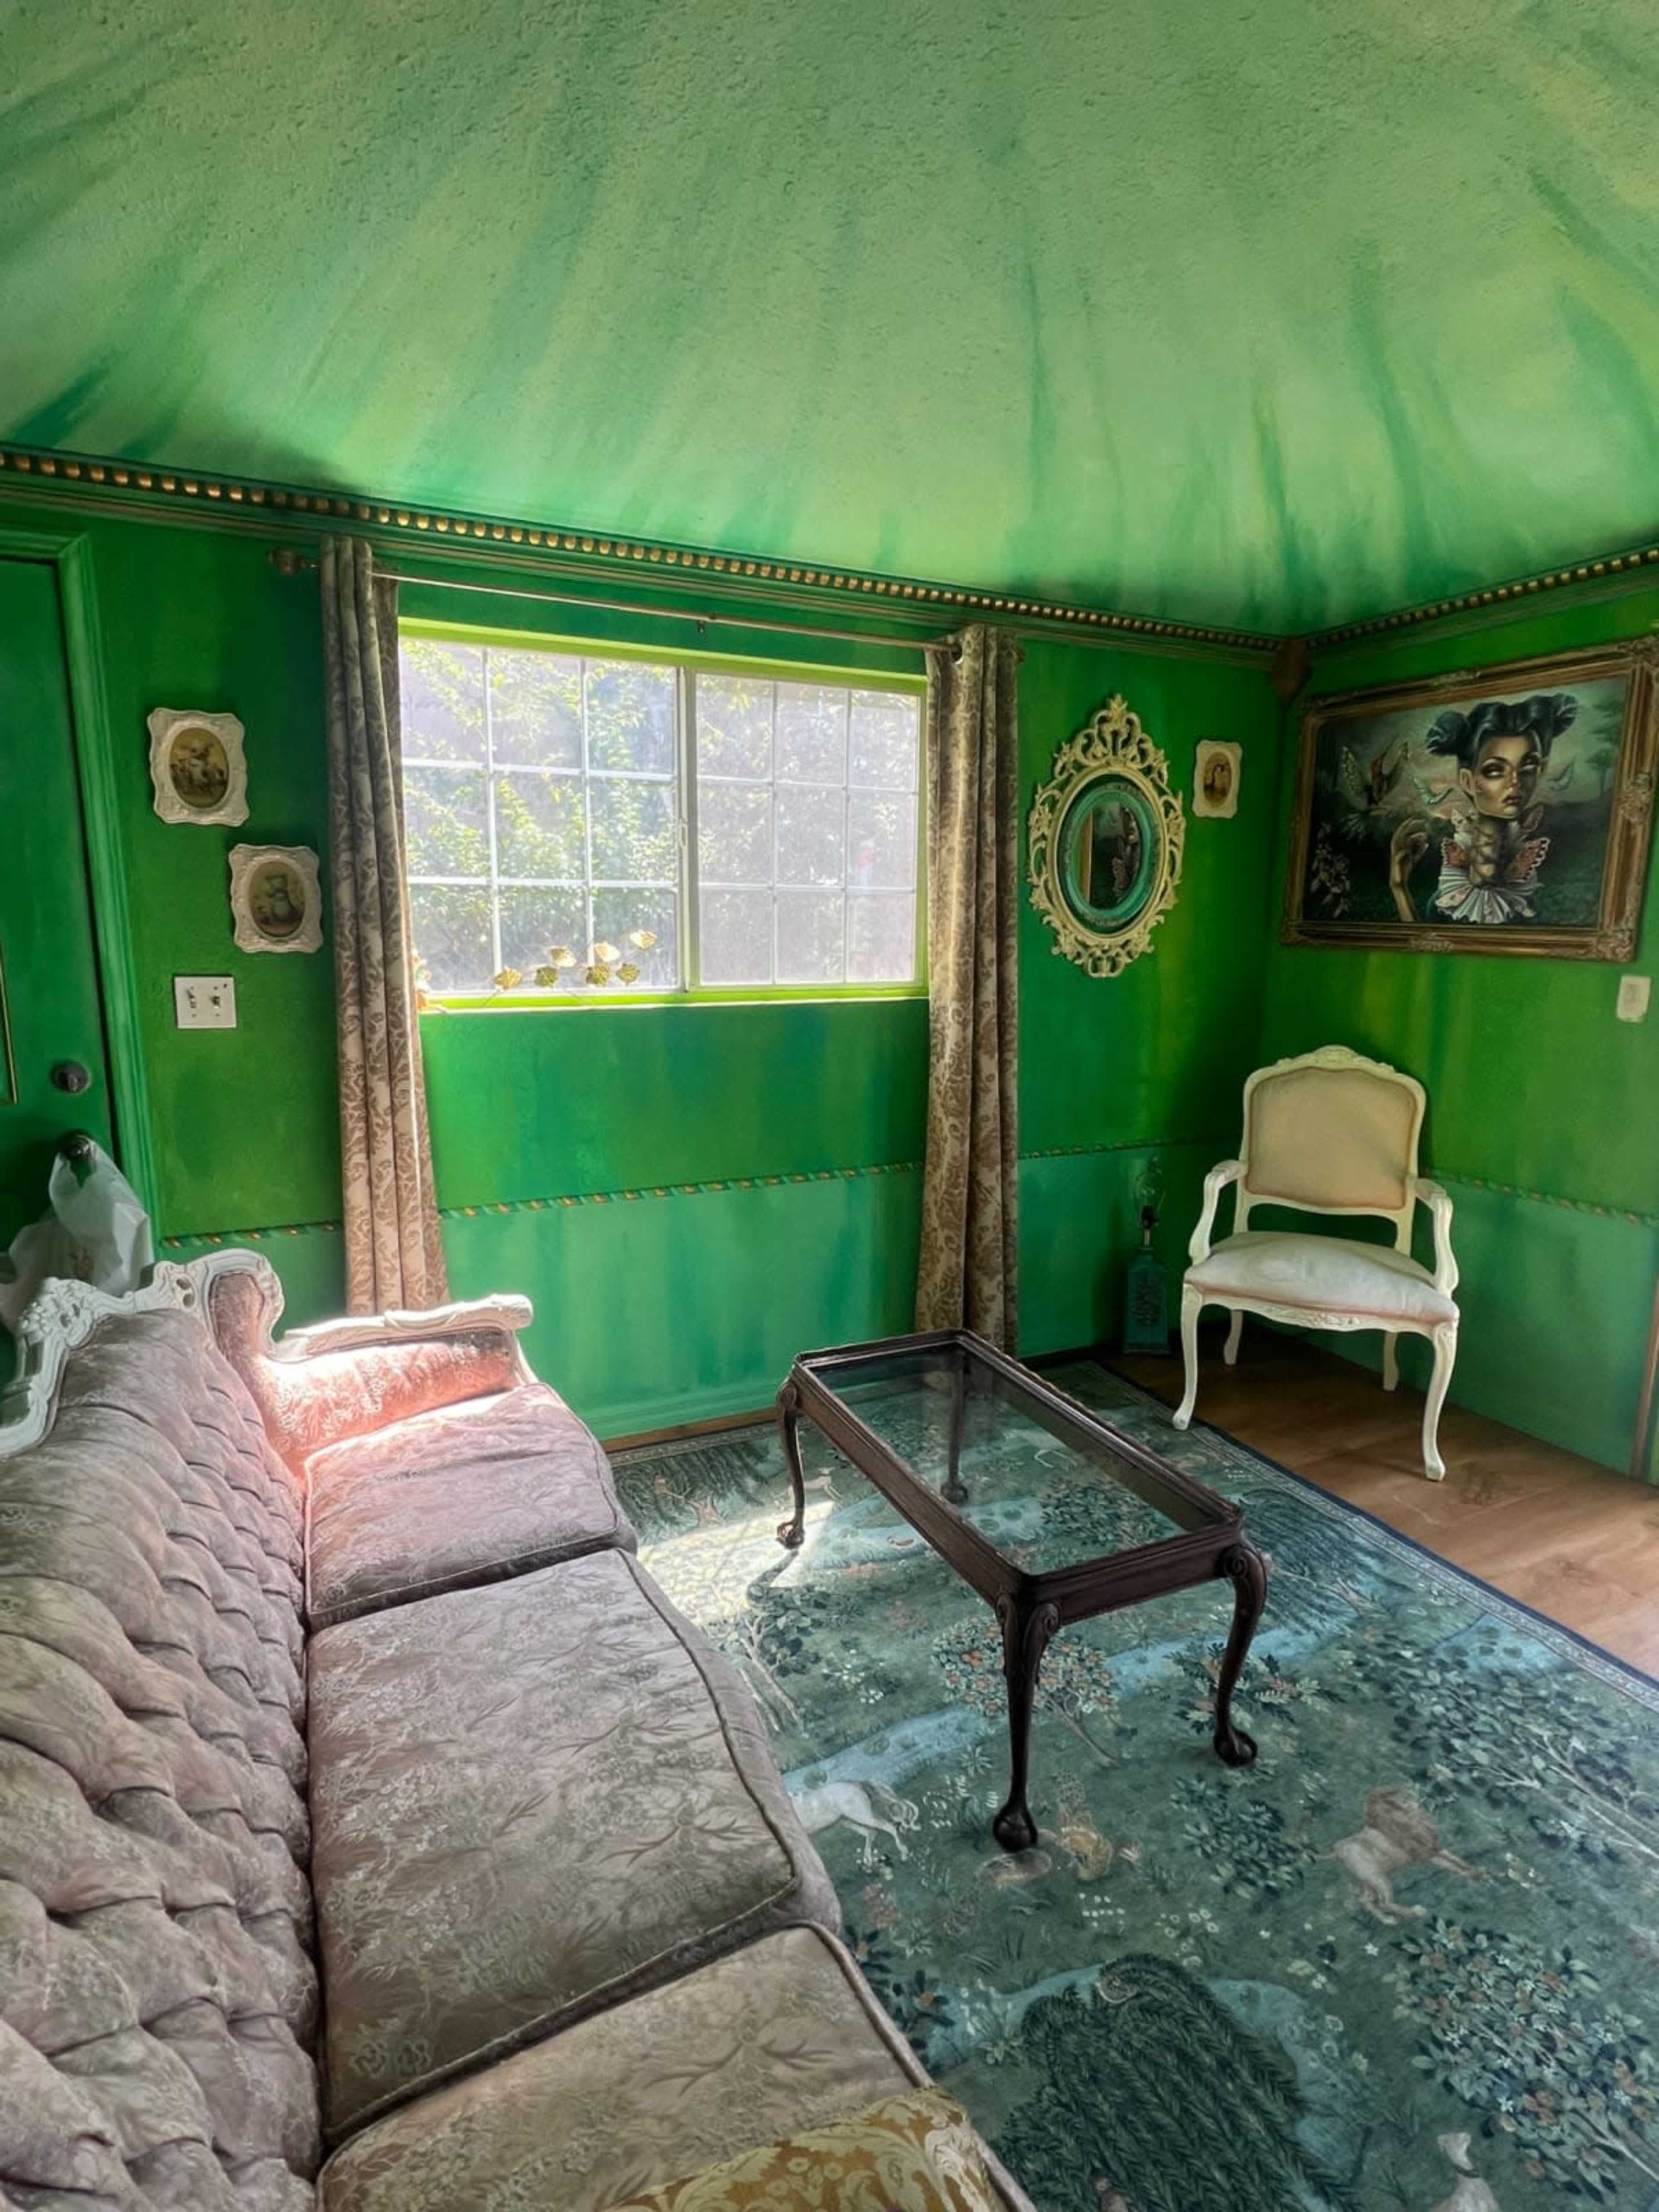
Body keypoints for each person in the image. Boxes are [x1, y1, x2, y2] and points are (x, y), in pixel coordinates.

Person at [1387, 692, 1576, 925]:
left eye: (1528, 766)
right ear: (1468, 781)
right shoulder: (1448, 899)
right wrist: (1399, 888)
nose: (1515, 782)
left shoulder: (1525, 902)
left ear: (1542, 770)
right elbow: (1425, 952)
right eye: (1495, 770)